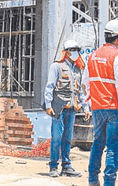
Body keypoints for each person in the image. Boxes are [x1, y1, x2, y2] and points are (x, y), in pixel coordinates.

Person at [83, 17, 118, 186]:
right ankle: (109, 183)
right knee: (112, 148)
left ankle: (92, 180)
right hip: (113, 109)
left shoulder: (92, 56)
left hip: (97, 108)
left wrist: (89, 105)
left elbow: (85, 85)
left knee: (97, 145)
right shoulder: (117, 57)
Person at [44, 39, 90, 178]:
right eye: (73, 50)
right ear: (67, 52)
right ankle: (53, 166)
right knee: (57, 137)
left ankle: (66, 166)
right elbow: (50, 86)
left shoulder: (77, 70)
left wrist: (86, 107)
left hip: (71, 108)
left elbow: (80, 91)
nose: (75, 53)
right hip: (58, 108)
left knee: (68, 138)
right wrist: (48, 105)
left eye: (77, 50)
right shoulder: (56, 67)